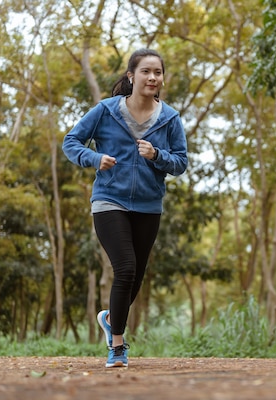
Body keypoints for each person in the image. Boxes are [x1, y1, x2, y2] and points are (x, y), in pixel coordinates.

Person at [62, 48, 188, 368]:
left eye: (157, 72)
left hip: (148, 205)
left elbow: (181, 163)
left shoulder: (170, 118)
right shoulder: (106, 111)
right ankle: (117, 345)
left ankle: (109, 318)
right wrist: (93, 159)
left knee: (136, 277)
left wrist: (156, 156)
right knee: (126, 268)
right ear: (131, 76)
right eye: (146, 71)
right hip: (109, 200)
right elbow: (71, 141)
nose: (152, 77)